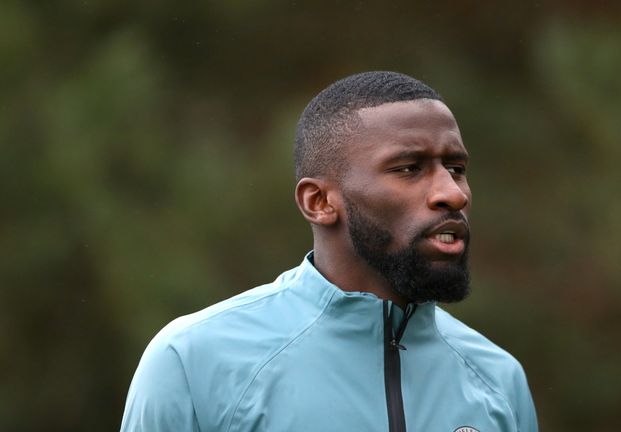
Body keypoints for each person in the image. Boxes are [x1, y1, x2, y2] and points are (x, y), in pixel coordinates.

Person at [120, 71, 538, 432]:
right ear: (319, 202)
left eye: (457, 168)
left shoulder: (498, 379)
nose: (452, 193)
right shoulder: (193, 361)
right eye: (408, 168)